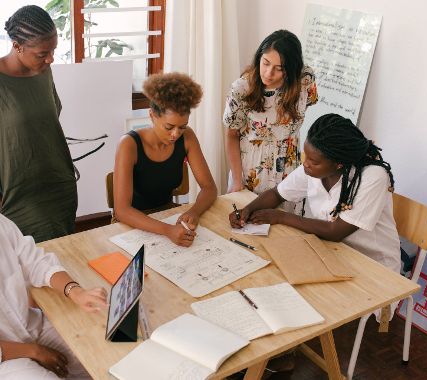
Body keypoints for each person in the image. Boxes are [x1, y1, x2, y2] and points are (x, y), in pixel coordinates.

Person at [0, 157, 108, 379]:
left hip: (27, 327)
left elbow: (35, 261)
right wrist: (35, 351)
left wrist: (75, 291)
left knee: (98, 353)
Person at [230, 113, 401, 273]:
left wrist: (280, 217)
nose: (305, 164)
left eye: (313, 161)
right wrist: (247, 210)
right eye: (307, 157)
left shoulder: (373, 176)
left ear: (339, 164)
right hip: (332, 253)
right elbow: (277, 194)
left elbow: (336, 231)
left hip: (374, 268)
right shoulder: (313, 169)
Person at [0, 5, 77, 243]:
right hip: (19, 195)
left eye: (53, 50)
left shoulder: (44, 71)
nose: (50, 58)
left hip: (59, 185)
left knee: (63, 256)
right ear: (17, 46)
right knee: (28, 264)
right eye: (42, 53)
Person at [113, 72, 217, 247]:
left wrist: (194, 212)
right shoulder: (129, 144)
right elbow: (122, 211)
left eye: (182, 127)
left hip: (167, 216)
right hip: (132, 224)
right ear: (152, 115)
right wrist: (168, 230)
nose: (175, 134)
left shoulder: (187, 138)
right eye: (169, 127)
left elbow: (209, 188)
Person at [224, 29, 318, 213]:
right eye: (265, 63)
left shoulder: (305, 80)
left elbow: (303, 108)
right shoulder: (241, 89)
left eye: (279, 68)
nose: (268, 73)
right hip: (252, 171)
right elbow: (231, 136)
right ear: (259, 57)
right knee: (247, 225)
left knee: (286, 232)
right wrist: (237, 181)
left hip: (290, 170)